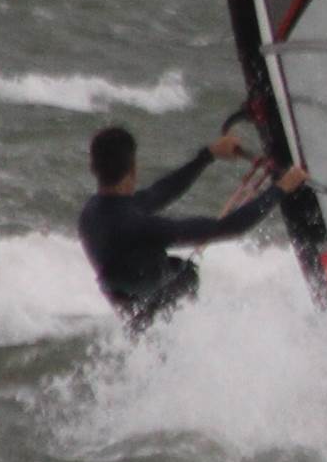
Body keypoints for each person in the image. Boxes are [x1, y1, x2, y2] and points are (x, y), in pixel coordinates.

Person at [77, 124, 305, 331]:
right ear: (133, 169)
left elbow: (160, 192)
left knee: (177, 272)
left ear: (93, 167)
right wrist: (281, 188)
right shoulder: (138, 226)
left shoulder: (91, 214)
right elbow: (232, 227)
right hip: (160, 323)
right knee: (187, 274)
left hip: (136, 319)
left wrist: (208, 155)